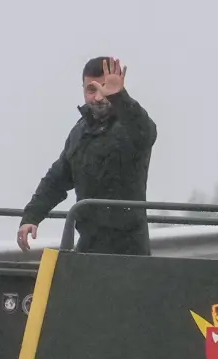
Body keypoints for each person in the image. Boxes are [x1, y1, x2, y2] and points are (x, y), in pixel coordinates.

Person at [17, 56, 157, 255]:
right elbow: (56, 179)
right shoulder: (79, 133)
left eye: (104, 88)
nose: (98, 97)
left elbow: (146, 132)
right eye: (91, 90)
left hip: (129, 250)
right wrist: (31, 216)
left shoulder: (130, 126)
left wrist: (119, 97)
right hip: (88, 245)